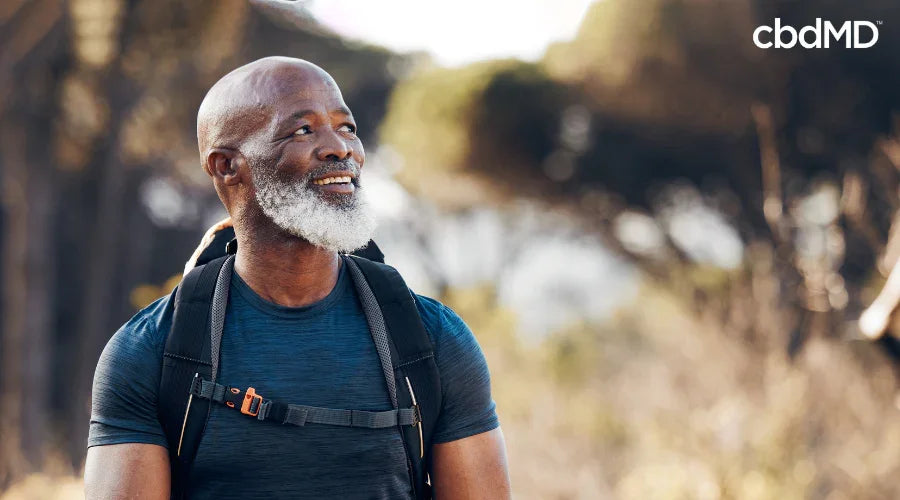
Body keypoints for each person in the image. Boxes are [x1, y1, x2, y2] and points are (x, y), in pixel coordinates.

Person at [84, 56, 511, 499]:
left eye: (347, 128)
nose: (340, 148)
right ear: (227, 166)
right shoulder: (149, 353)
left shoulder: (433, 341)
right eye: (303, 131)